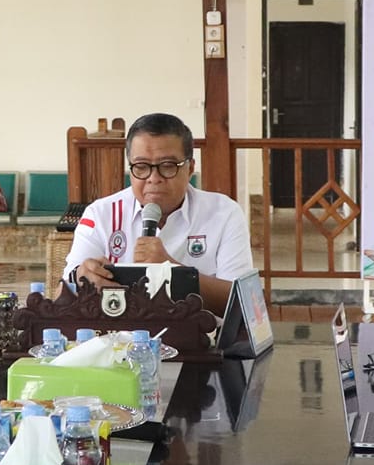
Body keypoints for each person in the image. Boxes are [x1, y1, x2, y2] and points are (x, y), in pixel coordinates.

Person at [64, 112, 253, 314]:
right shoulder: (101, 214)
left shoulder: (224, 213)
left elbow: (241, 302)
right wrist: (81, 278)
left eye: (168, 166)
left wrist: (171, 271)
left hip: (199, 340)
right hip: (118, 339)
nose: (154, 178)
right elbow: (62, 293)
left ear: (190, 168)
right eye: (142, 167)